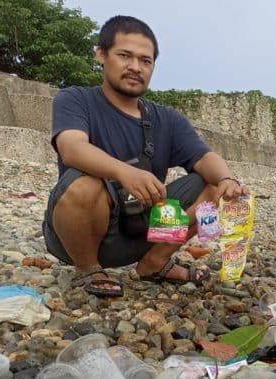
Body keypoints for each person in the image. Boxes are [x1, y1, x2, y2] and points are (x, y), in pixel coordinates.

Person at [43, 15, 248, 298]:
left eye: (145, 60)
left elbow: (204, 157)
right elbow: (72, 147)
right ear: (101, 55)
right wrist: (124, 172)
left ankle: (154, 262)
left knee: (213, 188)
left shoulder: (168, 119)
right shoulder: (75, 99)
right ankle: (88, 268)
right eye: (124, 56)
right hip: (75, 237)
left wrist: (227, 180)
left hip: (143, 231)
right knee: (84, 182)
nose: (135, 67)